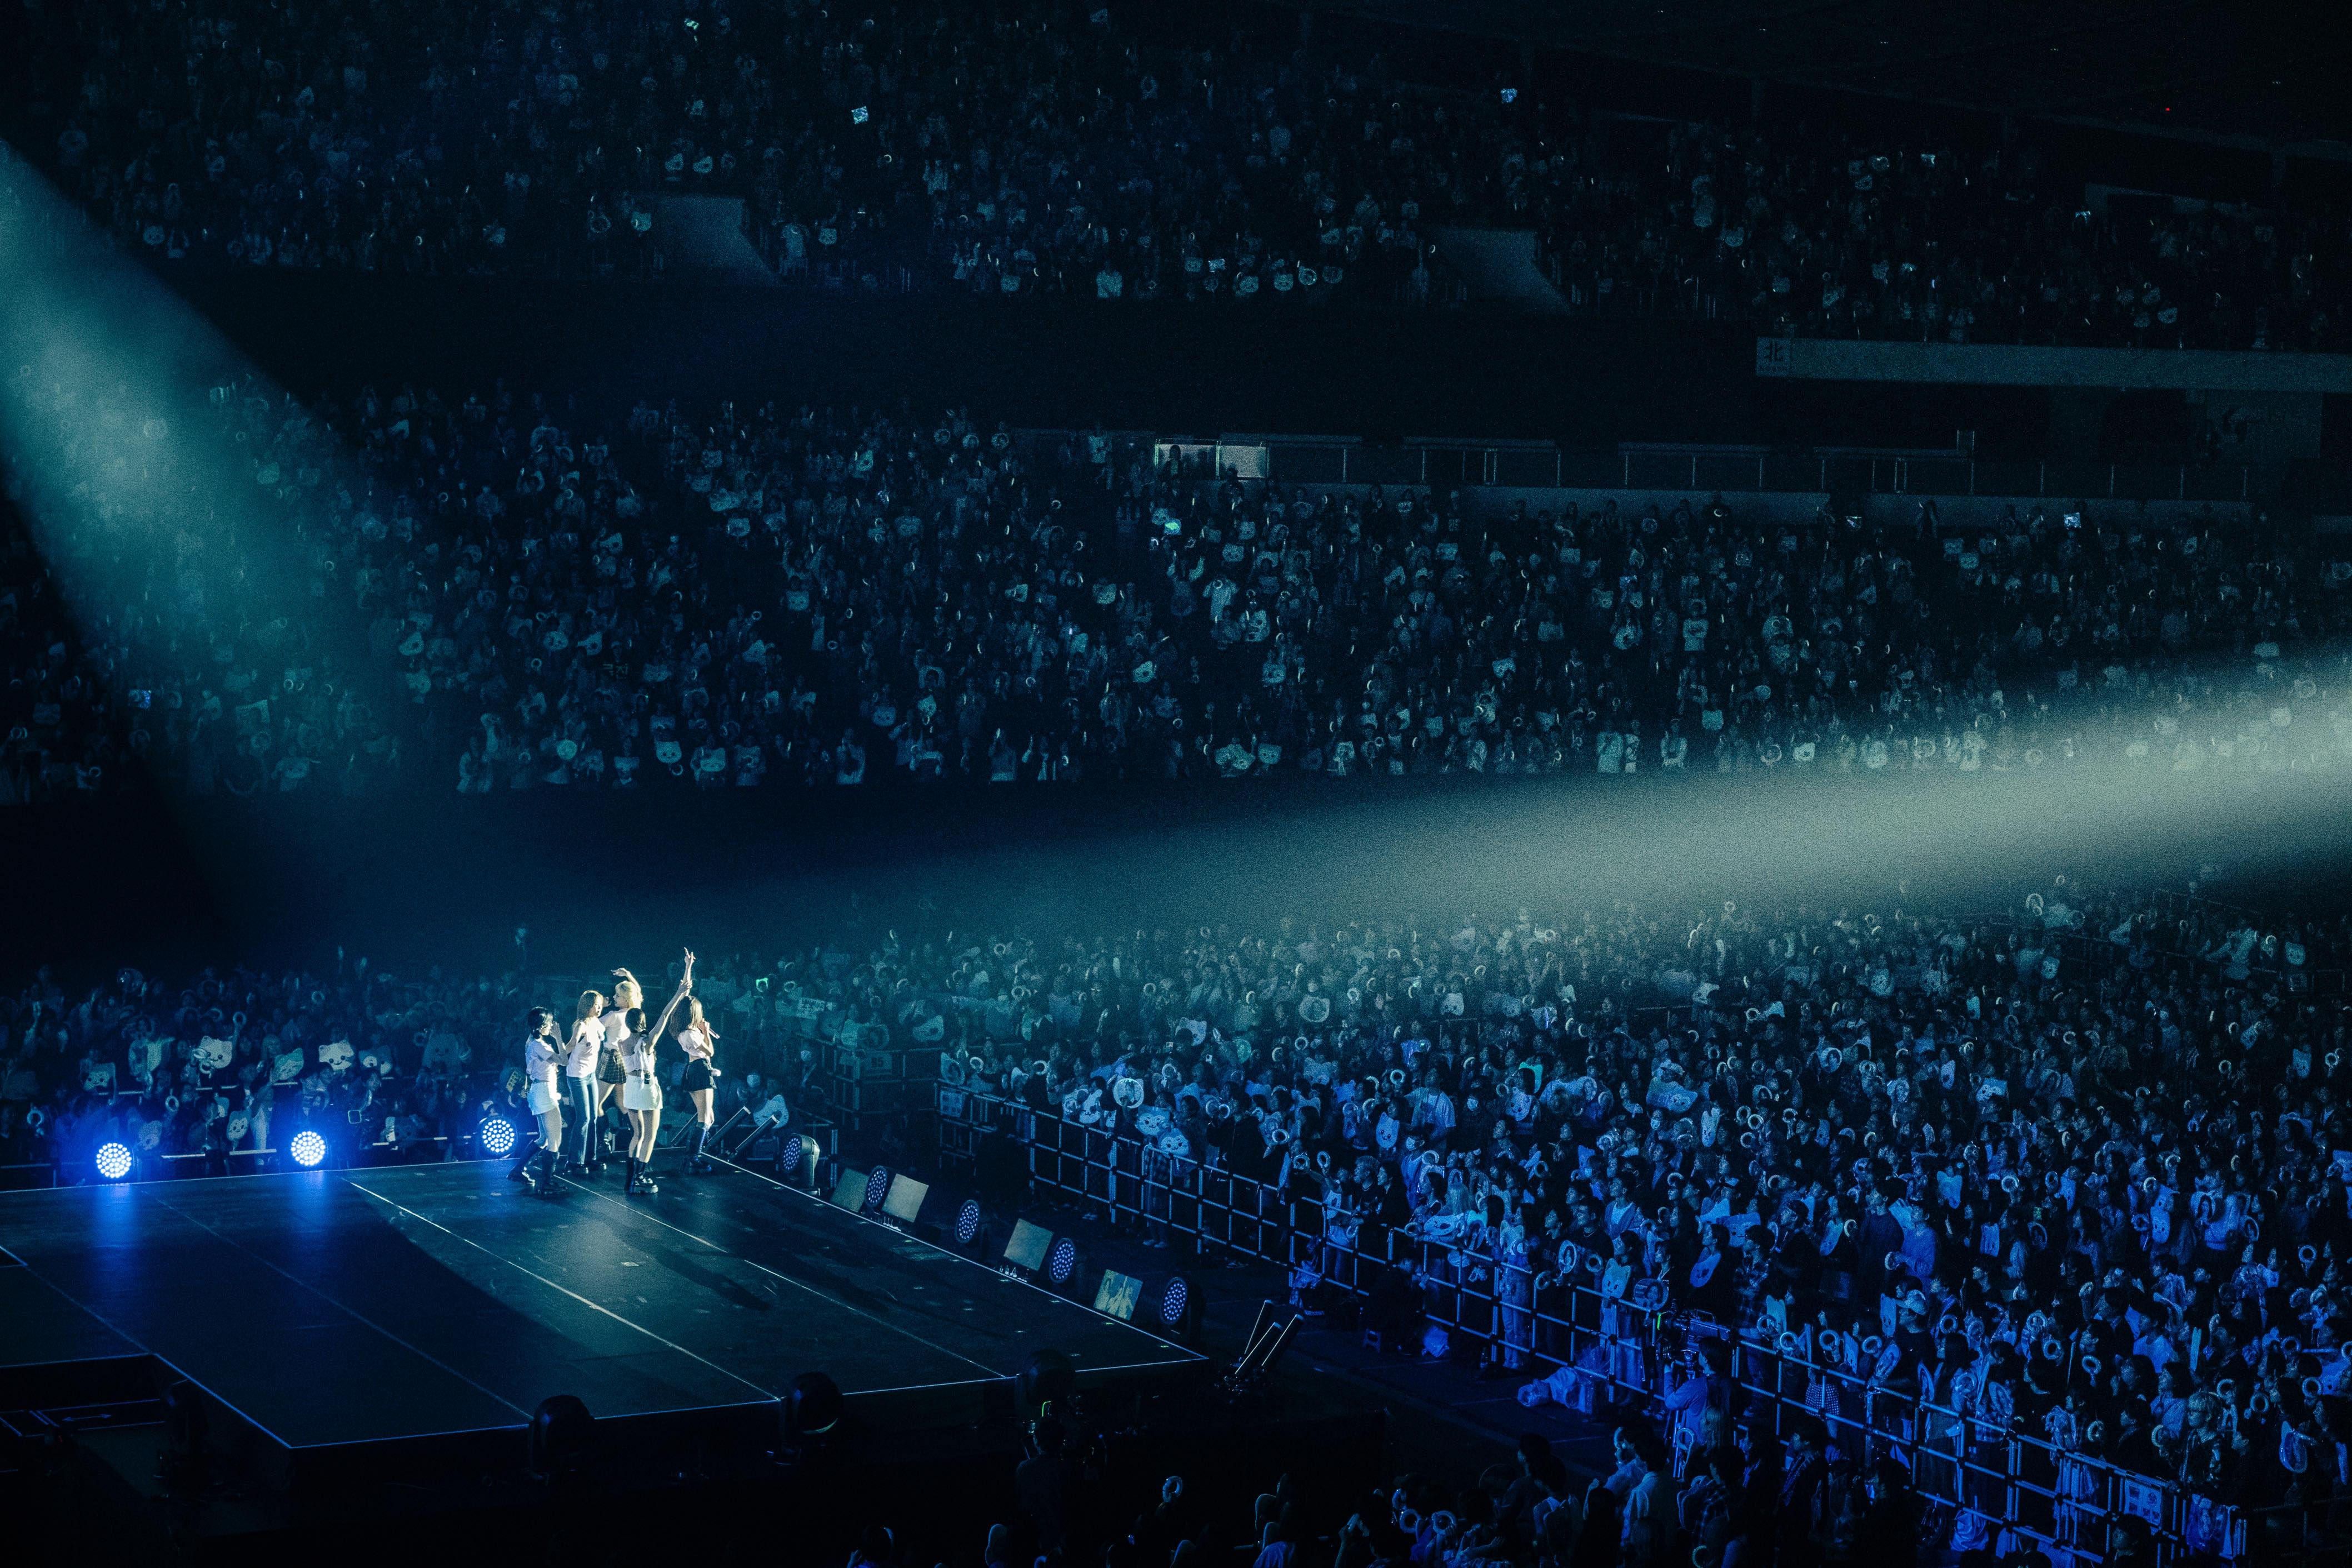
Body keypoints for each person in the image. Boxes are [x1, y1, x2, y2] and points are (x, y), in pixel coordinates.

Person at [617, 952, 694, 1196]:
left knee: (636, 1134)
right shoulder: (647, 1041)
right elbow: (666, 1014)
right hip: (646, 1087)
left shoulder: (622, 1042)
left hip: (630, 1086)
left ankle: (630, 1180)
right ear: (643, 1021)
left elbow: (636, 1005)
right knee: (650, 1135)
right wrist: (682, 988)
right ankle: (639, 1177)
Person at [511, 1006, 565, 1195]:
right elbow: (564, 1060)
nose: (551, 1026)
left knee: (543, 1138)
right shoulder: (539, 1045)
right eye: (549, 1023)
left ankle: (518, 1171)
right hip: (544, 1092)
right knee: (555, 1139)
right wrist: (559, 1038)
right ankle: (547, 1182)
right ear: (541, 1025)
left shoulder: (533, 1042)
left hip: (540, 1090)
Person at [672, 995, 721, 1173]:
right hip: (700, 1069)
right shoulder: (691, 1034)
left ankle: (696, 1152)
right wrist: (706, 1031)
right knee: (704, 1117)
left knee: (709, 1117)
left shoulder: (684, 1033)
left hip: (694, 1069)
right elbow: (710, 1051)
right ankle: (694, 1156)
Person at [561, 988, 605, 1174]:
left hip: (590, 1075)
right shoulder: (581, 1025)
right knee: (584, 1118)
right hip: (577, 1075)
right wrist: (556, 1057)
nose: (599, 1008)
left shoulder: (596, 1023)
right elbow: (570, 1045)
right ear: (587, 1006)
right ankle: (574, 1161)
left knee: (593, 1117)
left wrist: (604, 1002)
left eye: (600, 1005)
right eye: (595, 1005)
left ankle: (590, 1157)